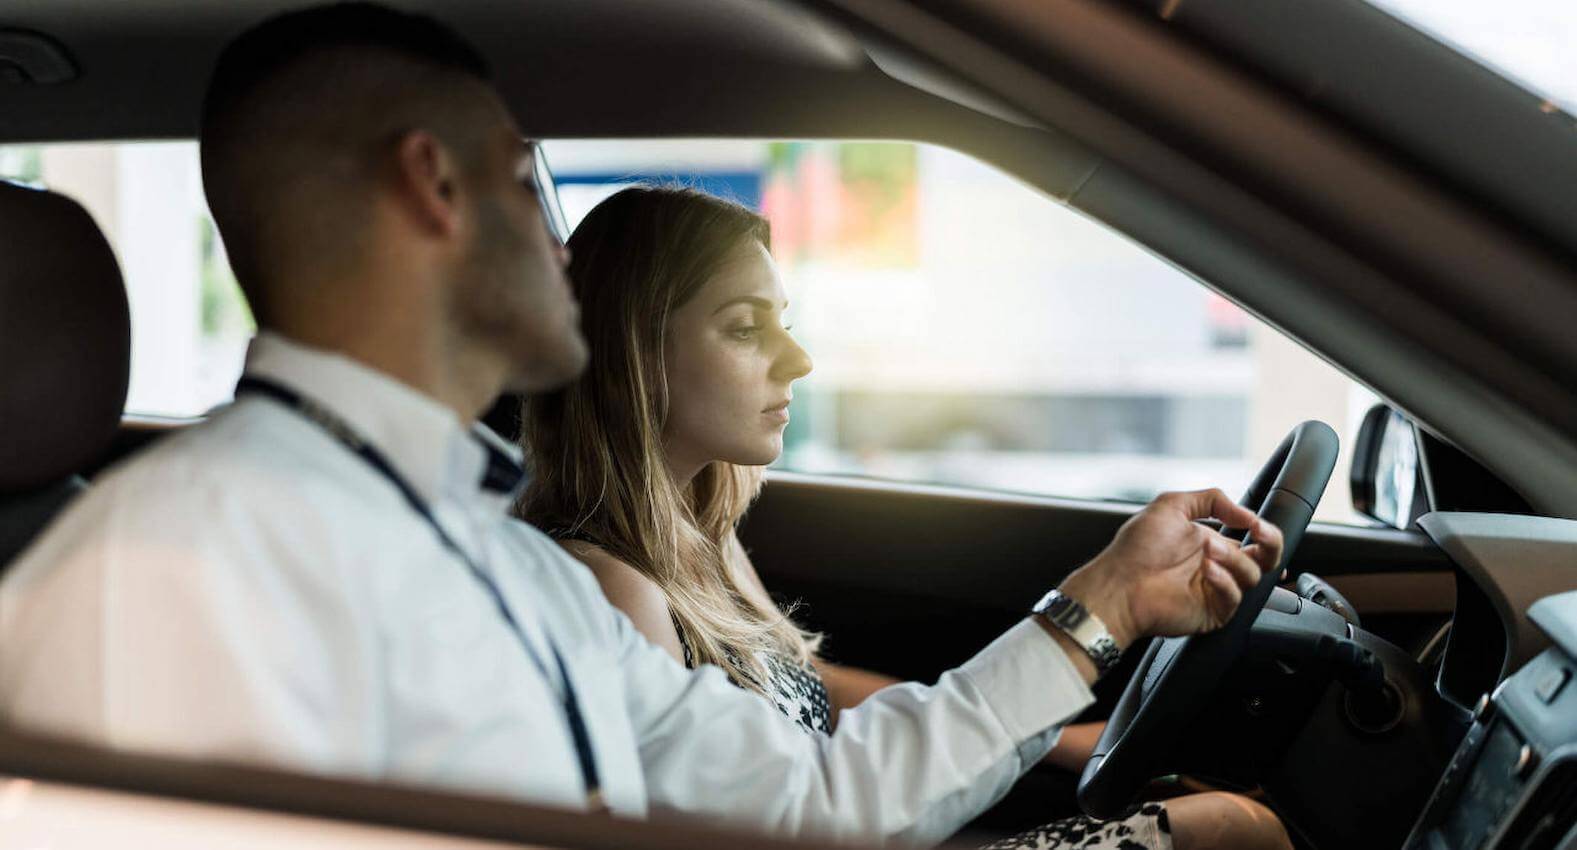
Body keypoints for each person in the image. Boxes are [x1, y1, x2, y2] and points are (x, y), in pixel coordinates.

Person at [0, 4, 1283, 848]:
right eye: (525, 182)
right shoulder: (168, 567)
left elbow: (813, 800)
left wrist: (1099, 603)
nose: (563, 244)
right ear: (432, 187)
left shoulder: (507, 566)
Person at [518, 187, 1294, 850]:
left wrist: (1062, 740)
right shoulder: (606, 587)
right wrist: (1104, 604)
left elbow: (799, 692)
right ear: (634, 353)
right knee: (1229, 829)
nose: (798, 359)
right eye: (746, 327)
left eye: (782, 322)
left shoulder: (697, 539)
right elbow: (797, 813)